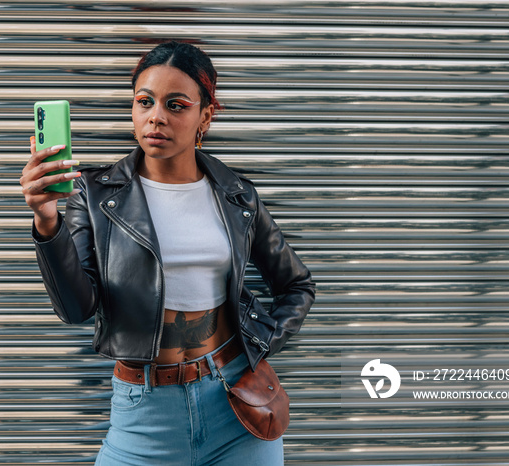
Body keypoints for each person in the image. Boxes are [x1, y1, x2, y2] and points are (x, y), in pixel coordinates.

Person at [20, 41, 315, 465]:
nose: (156, 116)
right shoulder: (94, 192)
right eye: (145, 102)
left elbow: (296, 284)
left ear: (204, 117)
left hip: (236, 406)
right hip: (144, 414)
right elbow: (76, 309)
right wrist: (48, 222)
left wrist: (260, 342)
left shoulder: (237, 196)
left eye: (176, 105)